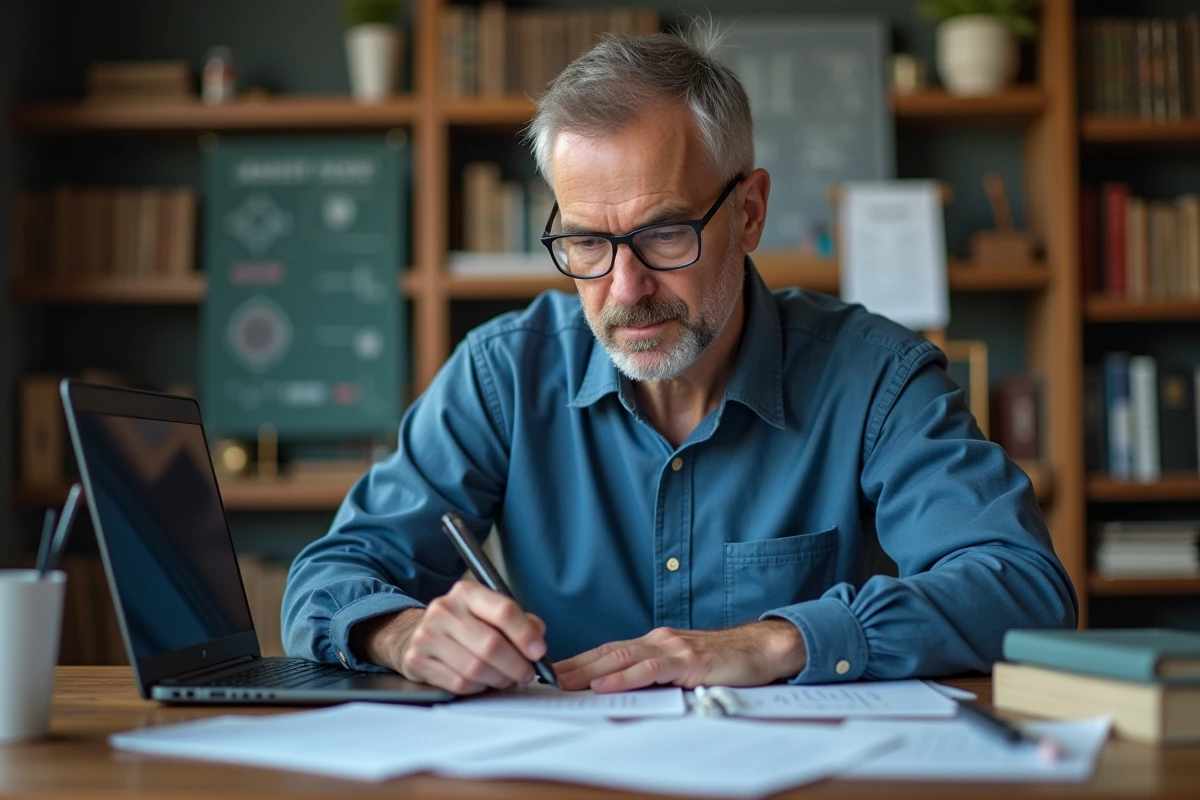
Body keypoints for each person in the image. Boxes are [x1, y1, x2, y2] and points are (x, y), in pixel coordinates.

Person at [282, 23, 1076, 696]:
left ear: (750, 212)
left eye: (665, 233)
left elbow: (1025, 590)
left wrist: (775, 642)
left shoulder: (876, 379)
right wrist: (399, 631)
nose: (626, 288)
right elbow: (330, 576)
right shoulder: (502, 375)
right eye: (588, 242)